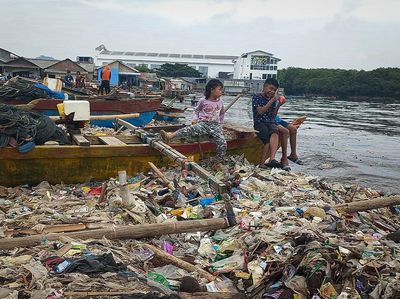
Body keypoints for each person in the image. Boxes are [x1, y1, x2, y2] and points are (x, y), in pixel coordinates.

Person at [159, 79, 226, 161]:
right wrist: (195, 119)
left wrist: (221, 126)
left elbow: (222, 114)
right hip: (203, 124)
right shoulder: (203, 101)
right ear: (212, 90)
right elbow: (196, 111)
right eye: (219, 89)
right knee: (188, 129)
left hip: (215, 126)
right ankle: (169, 136)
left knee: (222, 143)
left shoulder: (220, 102)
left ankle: (219, 160)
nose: (221, 91)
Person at [252, 78, 287, 169]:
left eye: (274, 90)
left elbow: (273, 115)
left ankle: (272, 159)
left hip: (269, 121)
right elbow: (260, 112)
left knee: (275, 132)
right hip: (260, 122)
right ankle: (262, 163)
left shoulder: (273, 99)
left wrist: (278, 105)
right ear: (264, 87)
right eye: (270, 88)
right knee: (266, 140)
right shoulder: (257, 97)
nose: (271, 91)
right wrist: (272, 101)